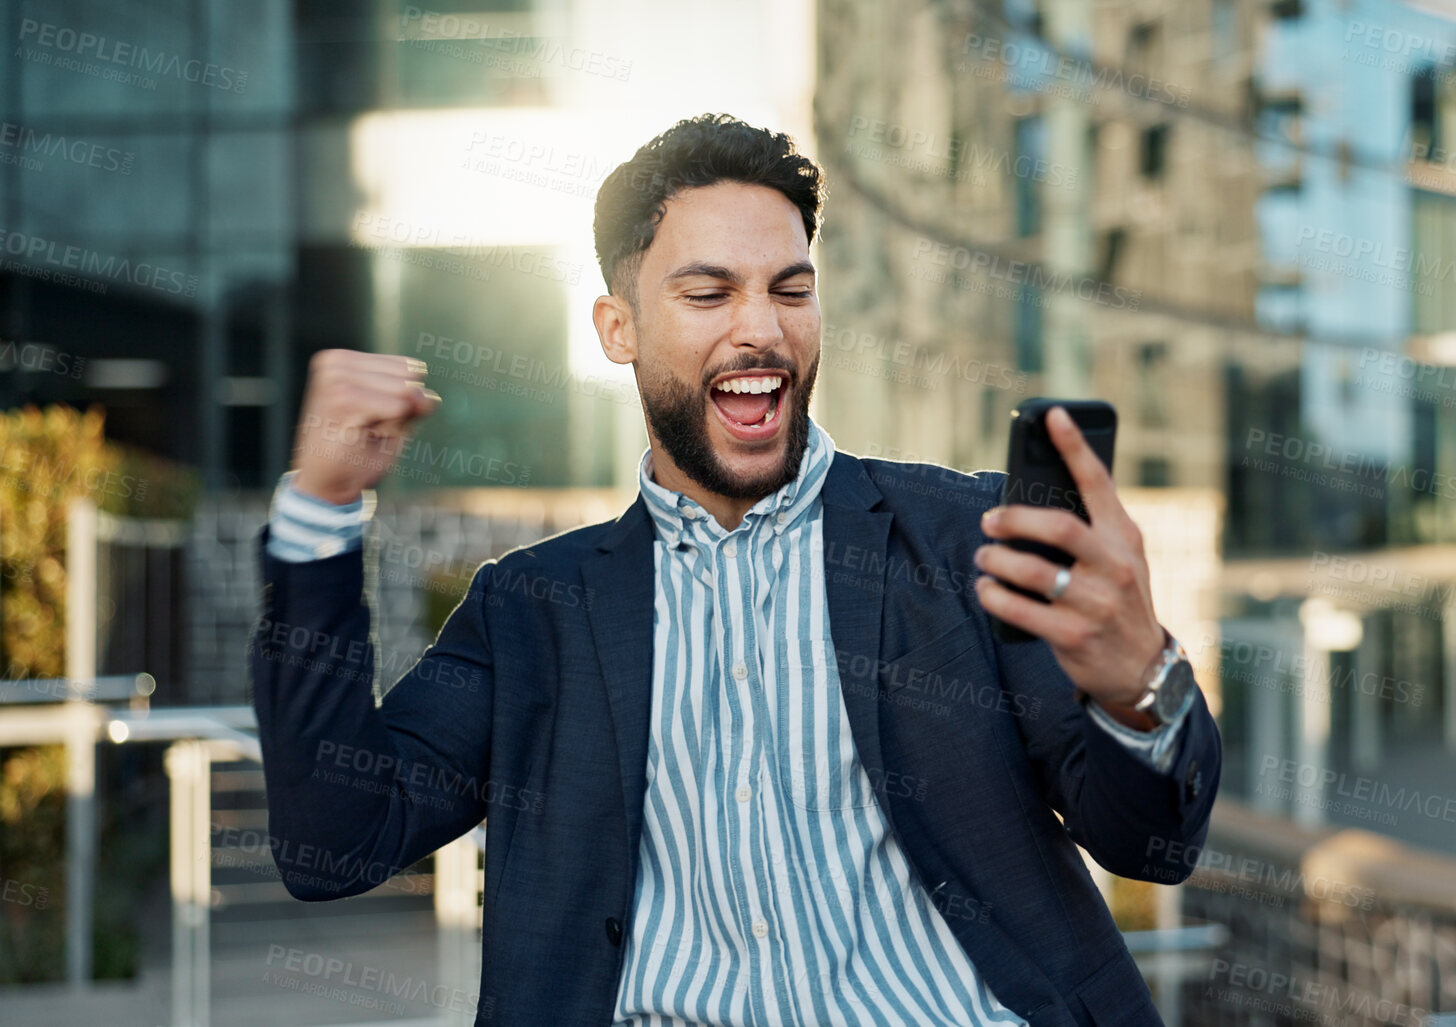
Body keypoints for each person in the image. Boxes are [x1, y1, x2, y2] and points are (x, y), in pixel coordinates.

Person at [251, 112, 1220, 1027]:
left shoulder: (969, 541)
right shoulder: (534, 612)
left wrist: (1140, 687)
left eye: (790, 289)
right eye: (709, 292)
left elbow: (1152, 846)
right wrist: (319, 514)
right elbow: (331, 840)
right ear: (617, 328)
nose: (760, 329)